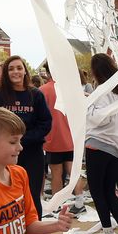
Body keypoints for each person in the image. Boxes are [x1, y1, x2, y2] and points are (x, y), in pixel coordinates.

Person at [0, 55, 52, 225]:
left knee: (32, 194)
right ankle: (9, 231)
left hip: (31, 152)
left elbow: (46, 123)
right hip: (5, 156)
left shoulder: (36, 95)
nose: (15, 72)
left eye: (19, 68)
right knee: (6, 194)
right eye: (11, 69)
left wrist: (22, 140)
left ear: (25, 71)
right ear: (6, 73)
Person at [85, 53, 118, 234]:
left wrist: (88, 106)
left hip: (99, 144)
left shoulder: (102, 91)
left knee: (97, 190)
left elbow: (101, 117)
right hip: (116, 146)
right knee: (109, 190)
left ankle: (107, 233)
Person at [40, 63, 86, 215]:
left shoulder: (44, 90)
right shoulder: (71, 89)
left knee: (56, 173)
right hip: (71, 136)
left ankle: (57, 204)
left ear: (48, 73)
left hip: (53, 137)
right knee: (73, 171)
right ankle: (80, 202)